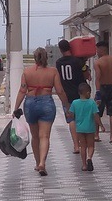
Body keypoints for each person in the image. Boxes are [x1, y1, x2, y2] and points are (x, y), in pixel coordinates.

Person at [12, 47, 69, 176]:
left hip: (30, 103)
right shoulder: (53, 72)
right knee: (45, 136)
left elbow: (22, 91)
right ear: (46, 58)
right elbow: (60, 91)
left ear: (34, 58)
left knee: (35, 136)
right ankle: (43, 162)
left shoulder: (27, 72)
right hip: (47, 103)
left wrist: (15, 108)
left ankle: (38, 163)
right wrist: (66, 106)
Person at [55, 39, 99, 155]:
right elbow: (86, 75)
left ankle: (76, 145)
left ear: (60, 50)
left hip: (66, 94)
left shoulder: (58, 62)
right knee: (83, 118)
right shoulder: (78, 61)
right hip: (80, 93)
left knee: (71, 120)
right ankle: (85, 142)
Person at [68, 81, 101, 172]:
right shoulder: (92, 103)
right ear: (88, 93)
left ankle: (84, 165)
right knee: (91, 146)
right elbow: (96, 116)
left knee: (83, 147)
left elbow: (71, 114)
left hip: (79, 128)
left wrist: (70, 114)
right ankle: (89, 158)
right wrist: (101, 125)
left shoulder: (75, 103)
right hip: (90, 128)